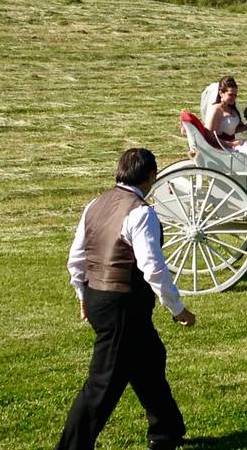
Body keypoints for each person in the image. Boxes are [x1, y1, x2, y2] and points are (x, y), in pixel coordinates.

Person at [56, 148, 195, 450]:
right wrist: (178, 308)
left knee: (149, 361)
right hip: (123, 305)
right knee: (103, 383)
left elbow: (76, 258)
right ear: (150, 175)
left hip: (99, 296)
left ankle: (167, 431)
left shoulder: (95, 203)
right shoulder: (141, 212)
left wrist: (82, 294)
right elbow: (153, 268)